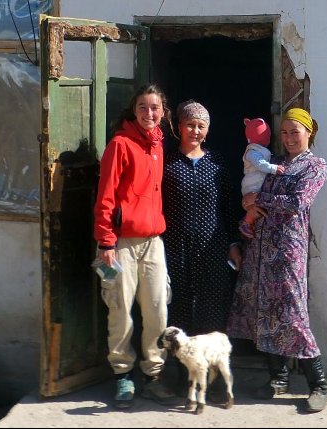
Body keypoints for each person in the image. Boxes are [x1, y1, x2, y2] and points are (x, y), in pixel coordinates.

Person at [226, 107, 327, 413]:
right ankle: (278, 380)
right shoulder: (275, 164)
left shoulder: (315, 166)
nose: (288, 138)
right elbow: (254, 196)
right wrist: (249, 211)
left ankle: (319, 384)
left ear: (308, 132)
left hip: (288, 253)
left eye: (294, 132)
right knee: (264, 314)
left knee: (294, 316)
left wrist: (260, 200)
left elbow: (298, 203)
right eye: (283, 132)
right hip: (260, 250)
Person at [92, 83, 179, 409]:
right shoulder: (120, 144)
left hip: (153, 241)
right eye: (143, 107)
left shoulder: (158, 145)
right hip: (121, 245)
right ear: (134, 110)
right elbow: (106, 196)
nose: (149, 113)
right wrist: (105, 242)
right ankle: (122, 376)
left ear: (162, 111)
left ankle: (154, 376)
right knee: (120, 311)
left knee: (158, 309)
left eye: (155, 107)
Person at [163, 100, 241, 337]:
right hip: (176, 247)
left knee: (213, 303)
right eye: (190, 125)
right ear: (179, 127)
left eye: (201, 126)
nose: (195, 131)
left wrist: (233, 243)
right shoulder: (167, 163)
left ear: (207, 131)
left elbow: (228, 206)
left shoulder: (216, 163)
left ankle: (208, 365)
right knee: (179, 304)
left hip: (213, 247)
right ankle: (182, 367)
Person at [238, 117, 285, 239]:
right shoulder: (252, 152)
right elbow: (260, 164)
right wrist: (273, 168)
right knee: (255, 207)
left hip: (255, 183)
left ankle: (250, 224)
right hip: (252, 185)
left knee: (259, 206)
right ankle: (247, 223)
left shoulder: (259, 150)